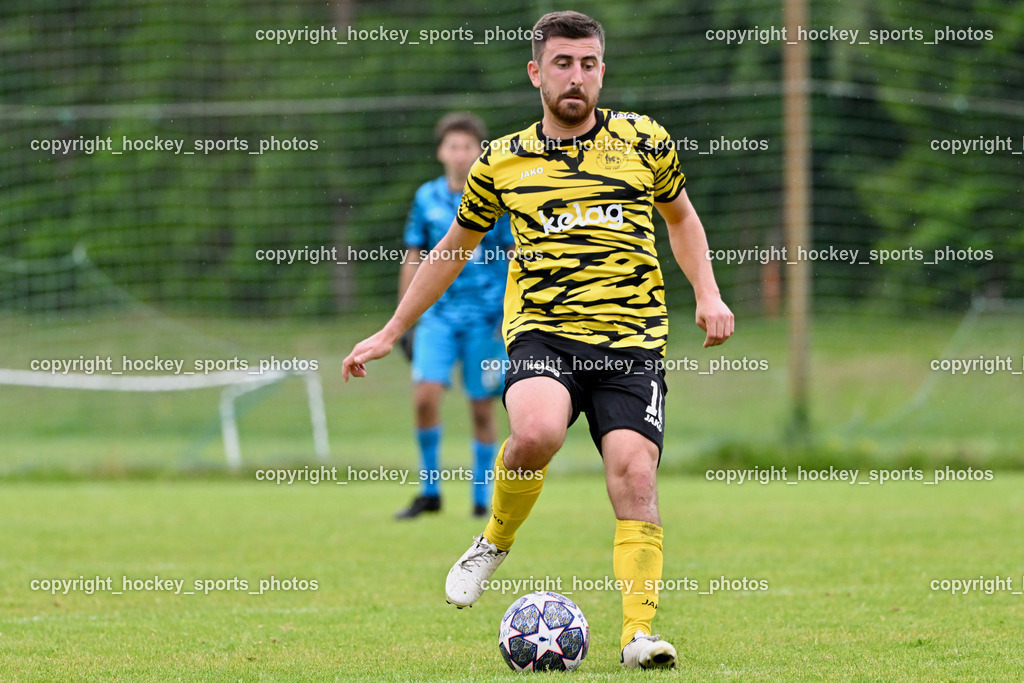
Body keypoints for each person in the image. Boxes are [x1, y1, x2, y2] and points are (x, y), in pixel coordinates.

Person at [343, 10, 734, 669]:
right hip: (543, 336)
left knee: (636, 476)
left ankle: (638, 632)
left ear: (602, 70)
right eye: (562, 63)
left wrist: (709, 291)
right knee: (537, 433)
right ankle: (494, 540)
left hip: (633, 343)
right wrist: (391, 329)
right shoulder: (502, 160)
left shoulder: (646, 141)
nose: (576, 76)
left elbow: (682, 219)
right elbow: (451, 249)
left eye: (587, 64)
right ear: (536, 72)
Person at [394, 113, 514, 520]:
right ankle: (430, 492)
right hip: (438, 319)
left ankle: (483, 499)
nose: (461, 155)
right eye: (453, 146)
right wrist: (403, 320)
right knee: (424, 398)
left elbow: (516, 256)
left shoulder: (494, 197)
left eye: (468, 147)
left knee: (482, 408)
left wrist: (511, 314)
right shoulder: (426, 198)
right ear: (441, 152)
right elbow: (413, 257)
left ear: (479, 153)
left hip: (486, 319)